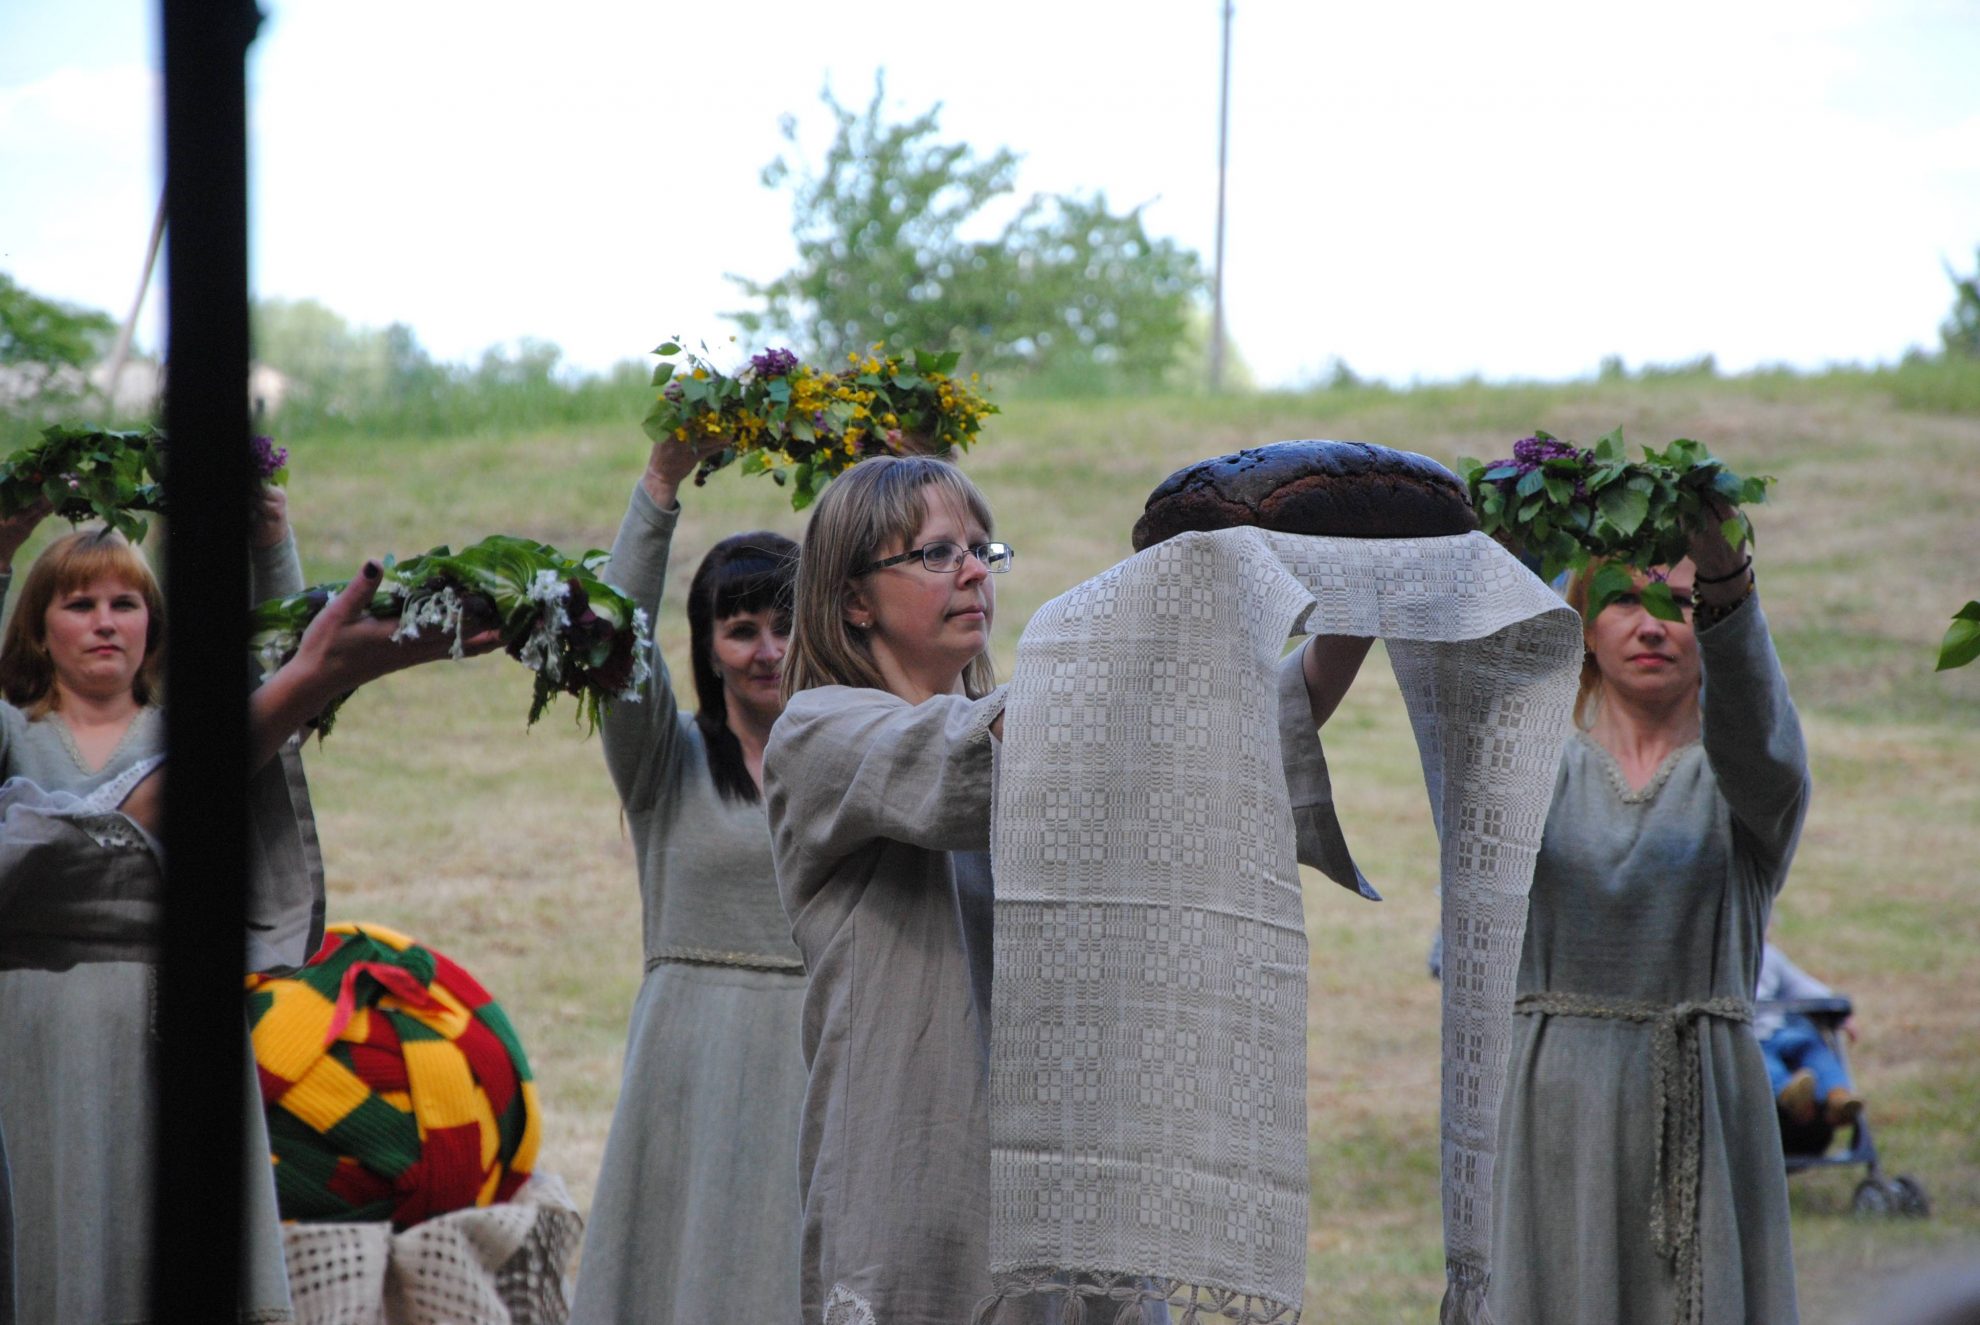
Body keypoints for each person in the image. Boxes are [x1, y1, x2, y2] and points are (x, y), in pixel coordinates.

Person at [763, 455, 1370, 1325]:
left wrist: (1358, 595)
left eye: (982, 548)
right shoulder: (817, 731)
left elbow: (1222, 736)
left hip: (1079, 1181)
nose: (975, 570)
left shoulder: (1050, 731)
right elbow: (994, 749)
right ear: (854, 598)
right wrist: (1175, 587)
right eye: (937, 554)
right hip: (921, 1190)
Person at [0, 497, 498, 1324]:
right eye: (77, 603)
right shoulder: (14, 734)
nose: (103, 623)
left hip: (175, 1014)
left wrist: (270, 539)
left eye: (124, 602)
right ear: (35, 623)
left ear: (153, 624)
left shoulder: (196, 730)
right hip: (29, 1017)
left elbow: (294, 682)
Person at [1489, 498, 1811, 1325]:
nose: (1654, 624)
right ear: (1585, 628)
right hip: (1558, 1104)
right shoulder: (1533, 771)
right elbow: (1472, 719)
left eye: (1679, 603)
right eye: (1627, 601)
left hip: (1704, 1096)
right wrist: (1501, 555)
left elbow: (1762, 738)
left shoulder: (1749, 788)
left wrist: (1728, 580)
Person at [568, 436, 806, 1324]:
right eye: (741, 628)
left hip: (820, 1046)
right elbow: (611, 641)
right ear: (707, 646)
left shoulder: (859, 749)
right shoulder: (664, 761)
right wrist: (659, 487)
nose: (766, 649)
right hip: (691, 1053)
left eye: (784, 624)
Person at [1755, 939, 1860, 1128]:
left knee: (1812, 1047)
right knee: (1761, 1062)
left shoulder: (1769, 954)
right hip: (1748, 1038)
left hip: (1779, 1030)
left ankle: (1838, 1095)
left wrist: (1838, 1011)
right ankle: (1791, 1094)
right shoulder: (1715, 957)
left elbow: (1801, 986)